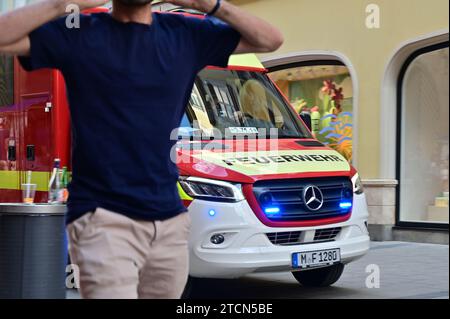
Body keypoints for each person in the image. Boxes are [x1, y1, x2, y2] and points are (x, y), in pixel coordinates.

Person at [0, 0, 283, 299]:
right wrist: (66, 3)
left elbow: (271, 40)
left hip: (169, 222)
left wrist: (206, 4)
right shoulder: (79, 32)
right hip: (103, 219)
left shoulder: (185, 32)